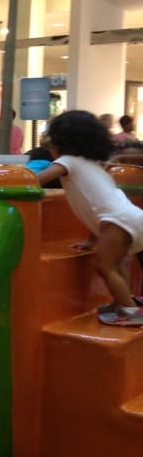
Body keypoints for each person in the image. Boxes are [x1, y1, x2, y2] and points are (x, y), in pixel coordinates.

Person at [34, 110, 143, 326]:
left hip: (118, 220)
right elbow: (98, 206)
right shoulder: (94, 166)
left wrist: (15, 179)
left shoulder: (68, 161)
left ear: (60, 143)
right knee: (117, 263)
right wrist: (91, 241)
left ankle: (131, 312)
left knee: (105, 266)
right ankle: (123, 302)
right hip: (127, 218)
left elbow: (36, 180)